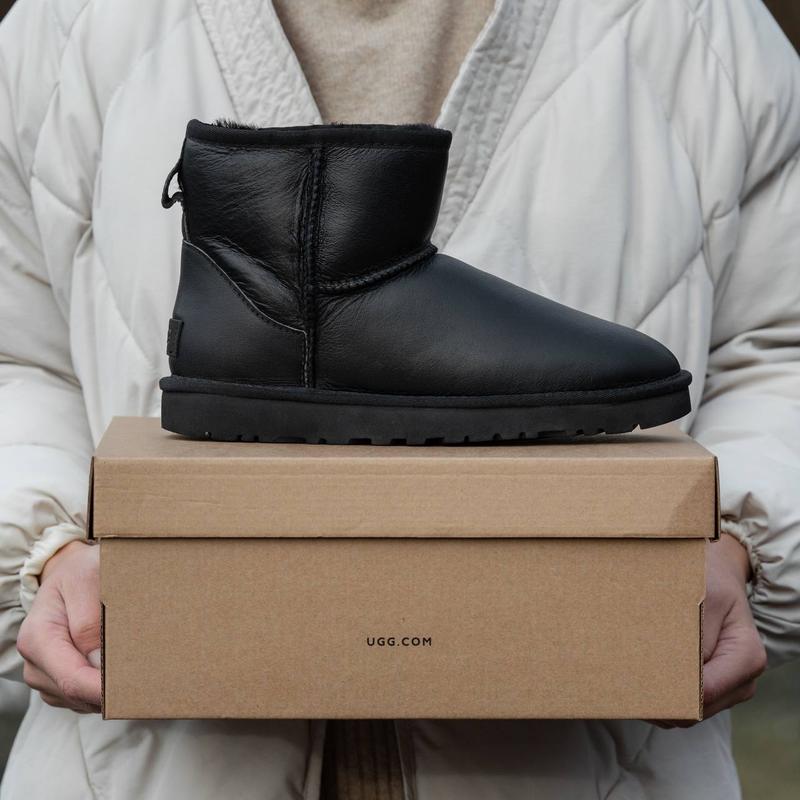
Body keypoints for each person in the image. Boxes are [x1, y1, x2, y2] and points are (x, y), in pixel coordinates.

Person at [0, 0, 798, 798]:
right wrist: (46, 552)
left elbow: (781, 349)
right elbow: (15, 358)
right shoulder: (70, 22)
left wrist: (736, 544)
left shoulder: (702, 25)